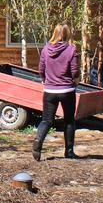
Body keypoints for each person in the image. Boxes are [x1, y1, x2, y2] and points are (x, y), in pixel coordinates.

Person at [33, 24, 80, 161]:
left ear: (54, 33)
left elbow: (41, 69)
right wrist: (75, 80)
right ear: (67, 35)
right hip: (67, 90)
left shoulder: (46, 49)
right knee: (69, 120)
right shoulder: (71, 50)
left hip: (50, 90)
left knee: (47, 120)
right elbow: (75, 71)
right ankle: (69, 151)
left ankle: (38, 141)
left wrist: (44, 80)